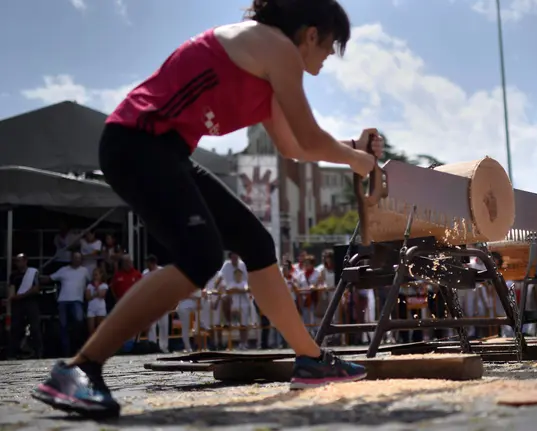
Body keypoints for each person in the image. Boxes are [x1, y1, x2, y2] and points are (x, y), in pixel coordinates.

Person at [31, 0, 383, 418]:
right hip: (138, 142)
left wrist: (353, 152)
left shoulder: (270, 68)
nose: (328, 57)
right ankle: (78, 369)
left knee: (254, 241)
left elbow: (292, 145)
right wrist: (360, 161)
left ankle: (310, 359)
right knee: (200, 256)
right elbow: (307, 138)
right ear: (311, 34)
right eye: (330, 47)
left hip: (164, 149)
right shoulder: (277, 48)